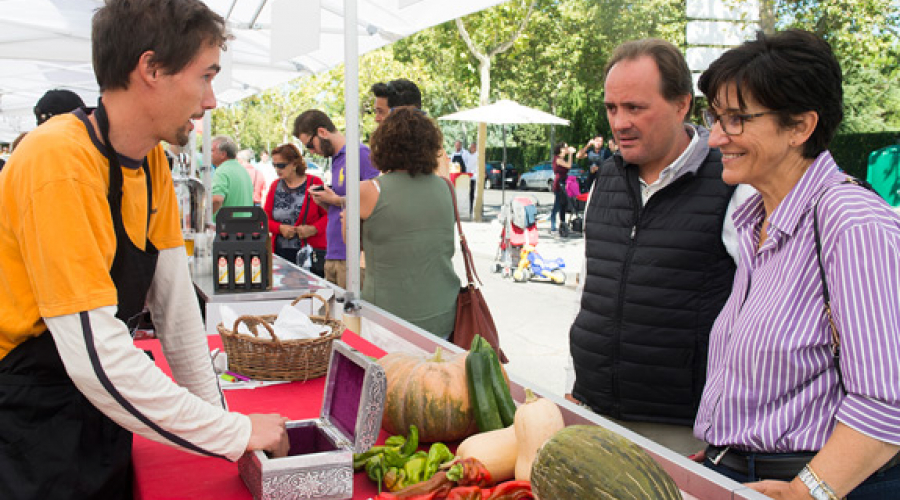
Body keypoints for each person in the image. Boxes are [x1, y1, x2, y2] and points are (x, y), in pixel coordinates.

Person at [0, 1, 288, 497]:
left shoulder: (151, 162)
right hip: (31, 421)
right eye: (205, 77)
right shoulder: (57, 160)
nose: (212, 100)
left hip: (98, 412)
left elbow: (177, 318)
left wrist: (229, 434)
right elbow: (96, 355)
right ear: (150, 68)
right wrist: (234, 432)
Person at [692, 30, 900, 498]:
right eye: (715, 117)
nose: (715, 137)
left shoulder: (851, 221)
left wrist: (810, 491)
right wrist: (719, 457)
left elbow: (889, 402)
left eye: (737, 119)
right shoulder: (757, 219)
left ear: (801, 127)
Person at [567, 38, 748, 455]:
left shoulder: (732, 184)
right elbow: (590, 292)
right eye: (612, 108)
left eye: (635, 108)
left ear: (682, 104)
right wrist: (575, 383)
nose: (619, 122)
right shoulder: (606, 179)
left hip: (682, 431)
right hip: (594, 412)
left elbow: (757, 313)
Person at [354, 108, 459, 339]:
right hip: (443, 313)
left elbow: (349, 242)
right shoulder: (445, 187)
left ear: (383, 144)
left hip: (388, 319)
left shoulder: (369, 190)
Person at [293, 109, 379, 289]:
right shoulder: (337, 159)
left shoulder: (360, 154)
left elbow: (378, 200)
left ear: (322, 132)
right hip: (333, 252)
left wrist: (336, 200)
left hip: (353, 256)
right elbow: (344, 204)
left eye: (310, 145)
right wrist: (327, 202)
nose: (312, 151)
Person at [263, 143, 327, 277]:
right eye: (274, 165)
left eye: (281, 165)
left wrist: (313, 229)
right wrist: (280, 228)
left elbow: (328, 215)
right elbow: (264, 219)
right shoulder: (275, 186)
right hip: (281, 252)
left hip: (309, 254)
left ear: (294, 164)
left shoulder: (314, 183)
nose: (277, 169)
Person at [210, 135, 254, 218]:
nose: (209, 154)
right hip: (246, 224)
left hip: (227, 227)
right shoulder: (243, 170)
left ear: (223, 154)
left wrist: (204, 217)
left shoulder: (222, 171)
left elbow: (217, 199)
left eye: (212, 151)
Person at [549, 142, 573, 234]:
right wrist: (570, 154)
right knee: (557, 205)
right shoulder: (558, 159)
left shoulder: (562, 159)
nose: (567, 149)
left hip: (564, 182)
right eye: (566, 148)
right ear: (561, 149)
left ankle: (563, 223)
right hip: (559, 183)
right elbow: (569, 166)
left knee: (563, 205)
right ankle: (553, 225)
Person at [464, 141, 480, 216]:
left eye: (473, 147)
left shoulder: (477, 155)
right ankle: (469, 209)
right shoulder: (467, 155)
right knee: (469, 194)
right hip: (468, 177)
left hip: (475, 177)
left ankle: (474, 209)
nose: (472, 148)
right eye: (471, 147)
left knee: (473, 194)